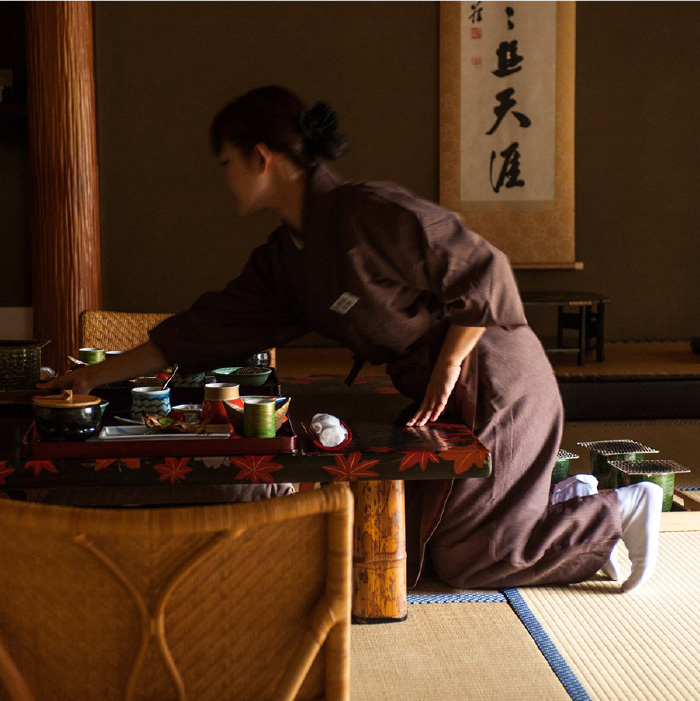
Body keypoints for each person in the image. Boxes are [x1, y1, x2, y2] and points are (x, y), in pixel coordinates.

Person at [41, 85, 662, 591]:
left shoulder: (369, 211)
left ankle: (620, 513)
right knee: (423, 542)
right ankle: (567, 500)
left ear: (262, 158)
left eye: (227, 163)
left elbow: (487, 271)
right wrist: (93, 376)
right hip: (439, 385)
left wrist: (448, 364)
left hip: (492, 370)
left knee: (471, 559)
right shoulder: (287, 256)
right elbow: (207, 327)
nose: (225, 177)